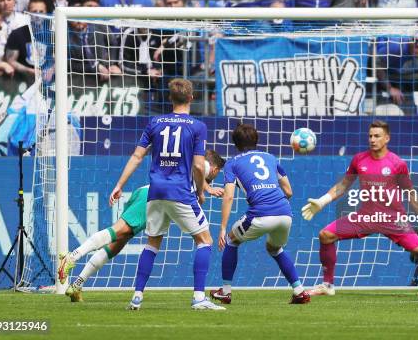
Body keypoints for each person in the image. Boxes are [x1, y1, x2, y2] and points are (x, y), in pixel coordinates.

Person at [301, 121, 418, 299]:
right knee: (325, 235)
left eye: (377, 136)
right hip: (366, 217)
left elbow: (410, 194)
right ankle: (327, 285)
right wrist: (322, 201)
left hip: (393, 219)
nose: (372, 139)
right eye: (370, 136)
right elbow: (343, 185)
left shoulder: (397, 163)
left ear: (387, 138)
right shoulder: (359, 159)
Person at [104, 78, 224, 310]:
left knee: (152, 243)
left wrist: (119, 184)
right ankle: (199, 298)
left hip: (156, 191)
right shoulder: (197, 126)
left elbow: (137, 156)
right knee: (205, 241)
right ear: (191, 98)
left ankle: (137, 295)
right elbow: (199, 166)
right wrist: (201, 191)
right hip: (180, 191)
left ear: (170, 98)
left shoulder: (155, 122)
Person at [59, 149, 226, 302]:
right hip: (149, 197)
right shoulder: (202, 165)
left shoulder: (192, 176)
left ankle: (77, 285)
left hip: (148, 195)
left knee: (117, 244)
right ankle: (72, 256)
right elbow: (195, 165)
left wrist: (203, 189)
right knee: (118, 231)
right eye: (216, 174)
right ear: (215, 169)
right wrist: (208, 189)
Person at [210, 124, 311, 305]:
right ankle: (299, 291)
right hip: (285, 214)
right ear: (256, 140)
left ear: (235, 143)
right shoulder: (271, 158)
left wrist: (223, 227)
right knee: (275, 248)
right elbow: (288, 191)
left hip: (260, 214)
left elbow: (229, 196)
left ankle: (225, 292)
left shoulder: (232, 163)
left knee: (232, 240)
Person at [3, 0, 47, 79]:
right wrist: (28, 70)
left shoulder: (53, 35)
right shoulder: (17, 34)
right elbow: (11, 60)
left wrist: (50, 71)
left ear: (46, 13)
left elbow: (57, 59)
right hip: (22, 79)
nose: (38, 15)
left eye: (41, 12)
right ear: (28, 13)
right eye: (34, 11)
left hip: (47, 80)